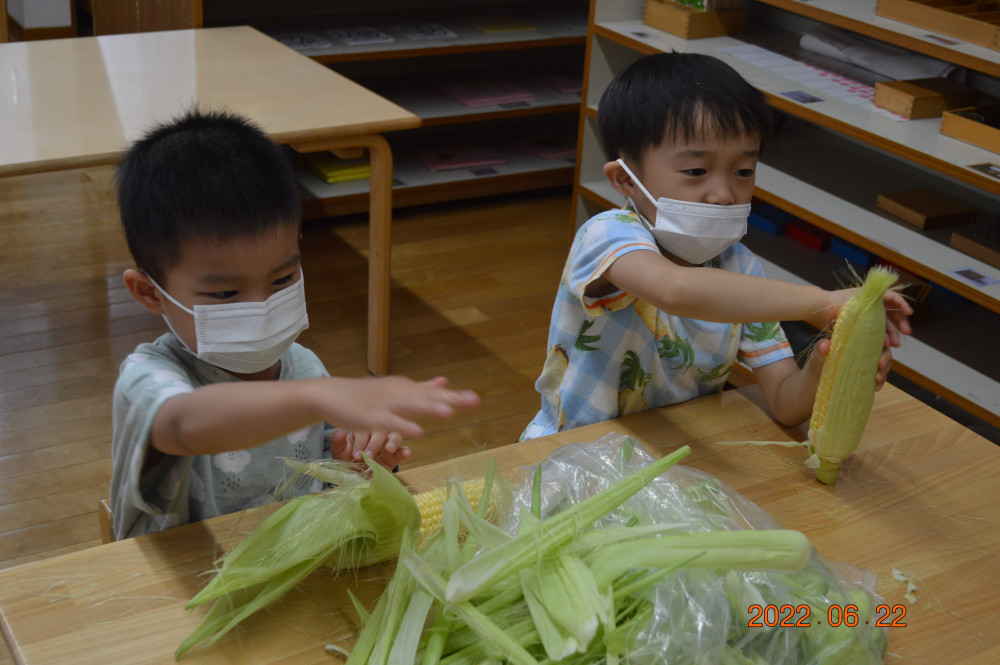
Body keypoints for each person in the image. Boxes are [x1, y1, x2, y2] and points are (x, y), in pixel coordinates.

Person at [110, 109, 481, 539]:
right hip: (180, 577)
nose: (262, 307)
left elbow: (323, 483)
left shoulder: (302, 367)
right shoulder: (148, 378)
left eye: (282, 279)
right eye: (226, 294)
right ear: (150, 293)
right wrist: (315, 396)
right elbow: (181, 426)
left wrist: (356, 465)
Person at [521, 52, 912, 440]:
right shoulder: (606, 235)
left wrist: (823, 368)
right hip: (572, 451)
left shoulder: (741, 269)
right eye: (696, 171)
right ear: (625, 180)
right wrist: (822, 303)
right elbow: (675, 289)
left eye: (743, 171)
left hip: (672, 454)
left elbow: (784, 403)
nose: (725, 194)